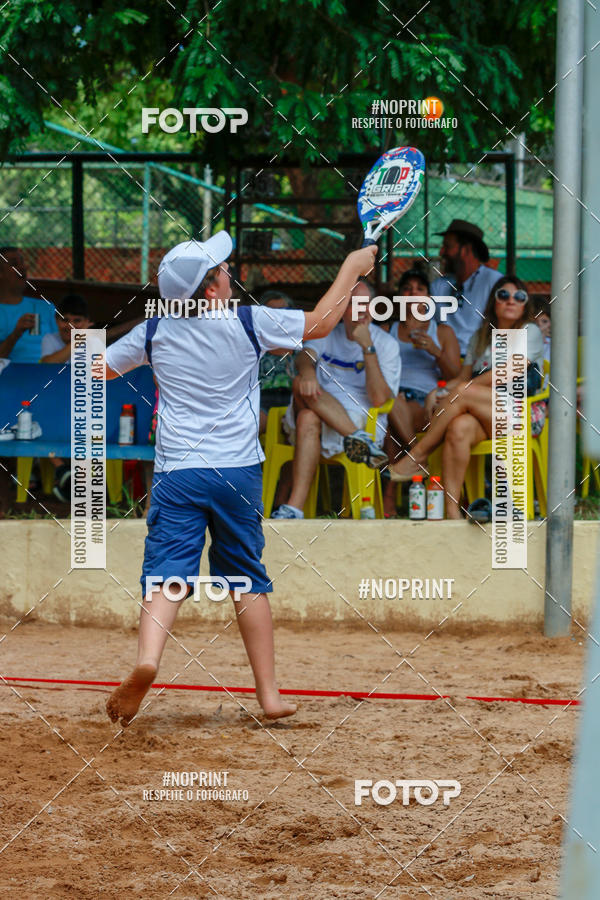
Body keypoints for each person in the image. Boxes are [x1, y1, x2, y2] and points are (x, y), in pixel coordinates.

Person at [101, 232, 377, 725]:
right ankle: (269, 696)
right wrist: (353, 267)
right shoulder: (249, 321)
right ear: (210, 290)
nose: (231, 273)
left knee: (165, 574)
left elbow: (97, 369)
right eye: (222, 270)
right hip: (237, 473)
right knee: (247, 579)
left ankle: (147, 661)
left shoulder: (155, 330)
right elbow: (322, 322)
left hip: (178, 474)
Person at [388, 276, 545, 519]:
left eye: (519, 297)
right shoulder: (480, 337)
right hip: (484, 413)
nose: (511, 301)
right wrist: (437, 392)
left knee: (463, 392)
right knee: (458, 428)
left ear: (525, 305)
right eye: (503, 295)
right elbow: (460, 378)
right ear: (494, 302)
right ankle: (453, 514)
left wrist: (458, 390)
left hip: (522, 414)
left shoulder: (529, 331)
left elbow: (506, 373)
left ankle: (418, 454)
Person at [273, 277, 401, 518]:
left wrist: (367, 348)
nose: (360, 311)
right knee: (302, 383)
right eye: (353, 304)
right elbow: (304, 356)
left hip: (362, 417)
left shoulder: (387, 345)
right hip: (327, 409)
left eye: (365, 304)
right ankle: (358, 440)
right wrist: (309, 371)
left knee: (308, 418)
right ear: (342, 308)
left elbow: (378, 400)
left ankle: (294, 508)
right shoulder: (328, 332)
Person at [383, 268, 461, 516]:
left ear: (428, 298)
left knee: (388, 421)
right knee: (388, 410)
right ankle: (418, 453)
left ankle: (388, 499)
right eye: (407, 289)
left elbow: (456, 377)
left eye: (420, 289)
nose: (413, 293)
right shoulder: (388, 329)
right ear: (399, 297)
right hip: (393, 397)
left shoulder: (442, 331)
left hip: (426, 401)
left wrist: (435, 351)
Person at [429, 220, 503, 356]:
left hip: (480, 358)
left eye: (447, 246)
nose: (441, 252)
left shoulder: (493, 281)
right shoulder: (439, 285)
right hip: (443, 357)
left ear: (466, 250)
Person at [0, 246, 56, 362]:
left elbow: (65, 346)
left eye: (23, 262)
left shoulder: (45, 307)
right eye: (14, 264)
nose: (23, 267)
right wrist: (16, 334)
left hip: (50, 373)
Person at [258, 290, 297, 433]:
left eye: (284, 311)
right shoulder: (255, 345)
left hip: (293, 400)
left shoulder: (304, 343)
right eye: (272, 313)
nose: (279, 317)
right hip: (262, 400)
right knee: (248, 429)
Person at [41, 294, 93, 363]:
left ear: (87, 321)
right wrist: (78, 340)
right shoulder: (50, 339)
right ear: (56, 320)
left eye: (77, 321)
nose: (70, 326)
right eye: (65, 320)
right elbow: (47, 364)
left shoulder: (94, 342)